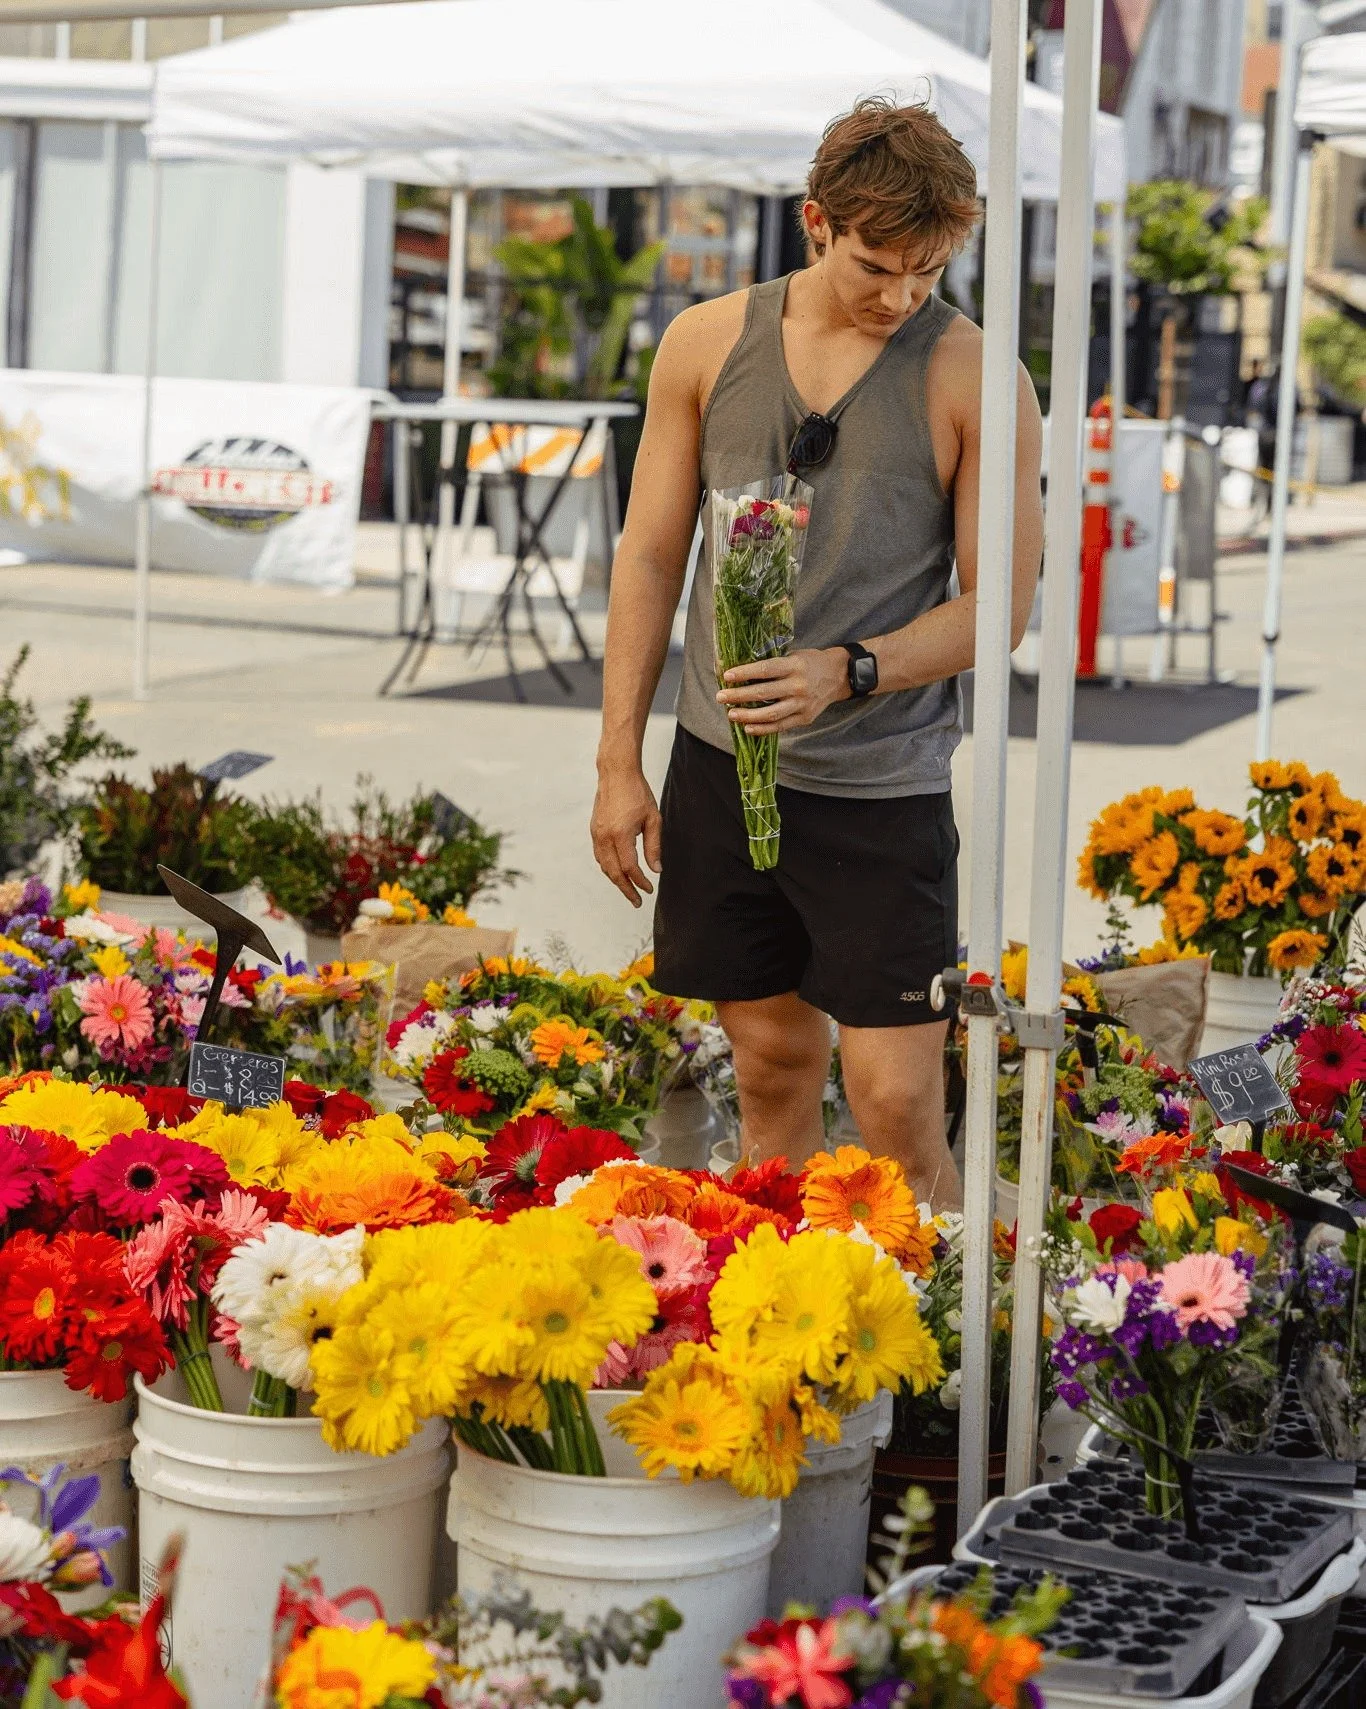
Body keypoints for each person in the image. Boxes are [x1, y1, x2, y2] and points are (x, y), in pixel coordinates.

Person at [590, 98, 1044, 1206]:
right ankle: (785, 1335)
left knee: (893, 1103)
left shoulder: (980, 376)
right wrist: (617, 762)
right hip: (717, 768)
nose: (901, 295)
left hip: (878, 790)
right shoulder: (706, 341)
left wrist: (851, 667)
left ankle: (931, 1353)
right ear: (816, 223)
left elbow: (1005, 606)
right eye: (878, 266)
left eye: (927, 272)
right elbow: (649, 557)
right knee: (771, 1063)